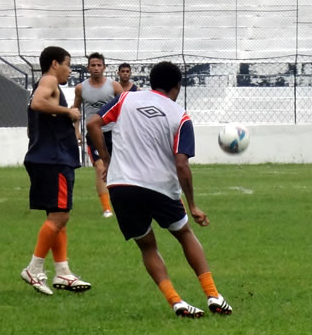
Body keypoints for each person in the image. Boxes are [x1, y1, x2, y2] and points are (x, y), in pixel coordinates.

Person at [87, 61, 232, 318]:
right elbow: (181, 164)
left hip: (121, 186)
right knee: (185, 233)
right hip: (159, 187)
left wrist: (106, 160)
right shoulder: (180, 115)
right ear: (177, 87)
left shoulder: (125, 100)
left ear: (152, 81)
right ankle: (212, 295)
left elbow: (92, 124)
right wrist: (193, 204)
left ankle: (176, 301)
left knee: (147, 246)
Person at [20, 46, 91, 295]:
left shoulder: (46, 85)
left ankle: (63, 273)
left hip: (45, 157)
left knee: (57, 216)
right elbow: (39, 103)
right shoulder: (49, 80)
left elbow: (33, 125)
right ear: (54, 64)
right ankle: (34, 268)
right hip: (54, 160)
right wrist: (68, 112)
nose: (69, 70)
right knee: (60, 216)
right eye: (67, 64)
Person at [72, 52, 123, 218]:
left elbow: (126, 107)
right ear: (88, 68)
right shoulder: (81, 88)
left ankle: (124, 203)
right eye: (92, 65)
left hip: (114, 134)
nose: (96, 68)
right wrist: (77, 131)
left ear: (104, 67)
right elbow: (76, 110)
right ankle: (107, 209)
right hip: (94, 135)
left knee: (120, 169)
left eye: (98, 65)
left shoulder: (114, 86)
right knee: (100, 168)